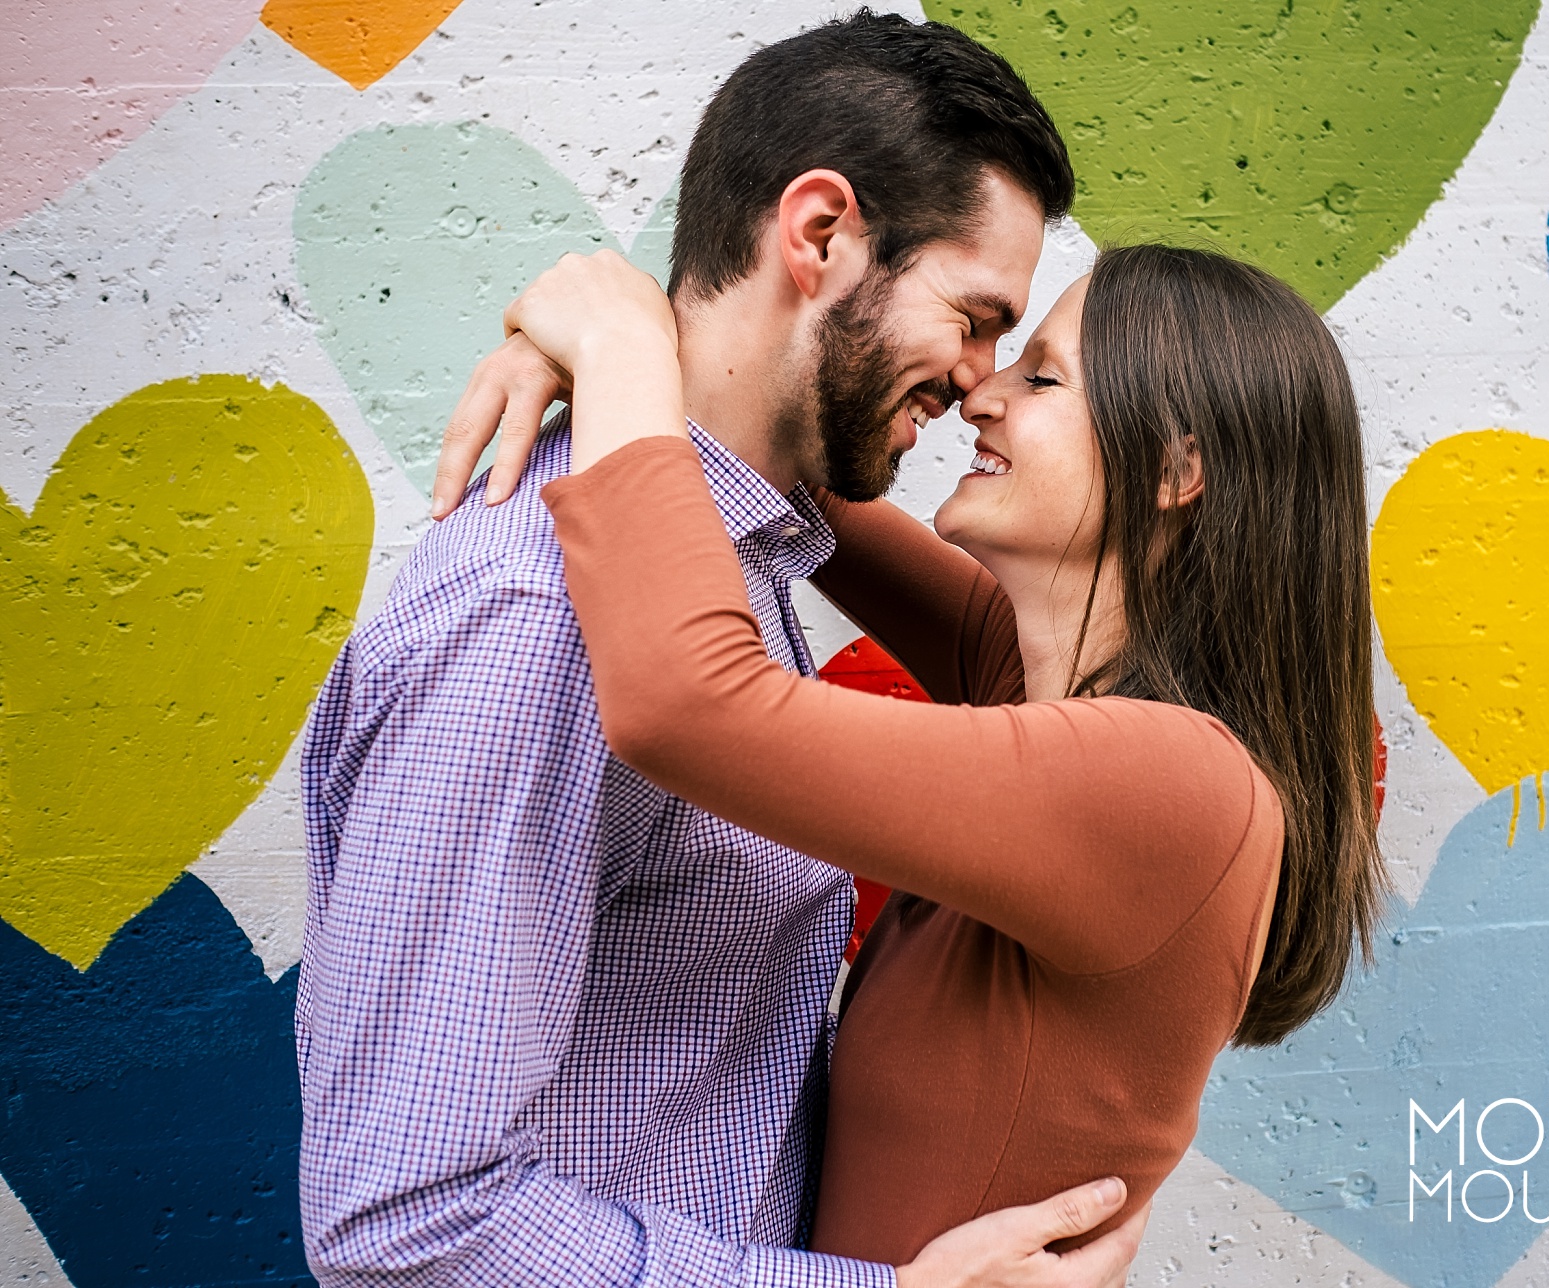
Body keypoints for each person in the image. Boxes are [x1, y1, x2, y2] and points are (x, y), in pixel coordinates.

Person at [295, 11, 1147, 1288]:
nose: (979, 383)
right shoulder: (537, 623)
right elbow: (403, 1222)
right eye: (974, 318)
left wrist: (621, 327)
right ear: (818, 234)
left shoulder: (743, 552)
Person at [436, 237, 1387, 1262]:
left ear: (1176, 467)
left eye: (1043, 375)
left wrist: (618, 344)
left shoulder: (1171, 782)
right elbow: (765, 440)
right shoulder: (1025, 679)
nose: (983, 391)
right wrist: (588, 347)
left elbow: (689, 702)